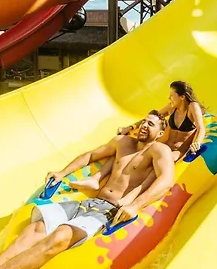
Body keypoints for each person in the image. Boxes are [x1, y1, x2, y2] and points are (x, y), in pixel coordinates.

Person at [0, 110, 174, 269]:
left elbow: (166, 180)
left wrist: (136, 205)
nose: (144, 125)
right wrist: (63, 173)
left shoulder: (158, 151)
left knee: (60, 236)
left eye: (151, 124)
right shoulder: (123, 142)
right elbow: (90, 155)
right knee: (31, 232)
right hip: (88, 203)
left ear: (160, 132)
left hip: (108, 211)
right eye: (143, 121)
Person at [70, 81, 206, 192]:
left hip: (177, 150)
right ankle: (96, 178)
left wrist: (197, 142)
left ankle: (136, 192)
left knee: (160, 163)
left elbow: (201, 128)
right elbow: (153, 117)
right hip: (162, 143)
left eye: (172, 95)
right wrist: (130, 128)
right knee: (126, 149)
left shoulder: (192, 107)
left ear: (182, 97)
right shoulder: (172, 107)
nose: (169, 98)